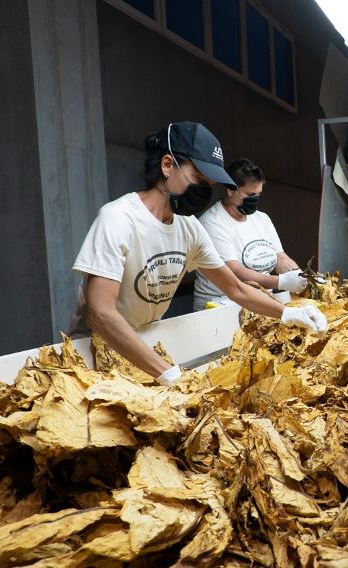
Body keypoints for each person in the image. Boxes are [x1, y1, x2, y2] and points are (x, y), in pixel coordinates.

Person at [70, 122, 326, 386]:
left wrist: (287, 313)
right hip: (94, 350)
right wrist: (168, 373)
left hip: (144, 343)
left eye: (209, 183)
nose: (204, 190)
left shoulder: (189, 228)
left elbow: (236, 289)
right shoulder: (118, 219)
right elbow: (100, 314)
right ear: (167, 165)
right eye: (199, 179)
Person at [193, 158, 307, 310]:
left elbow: (280, 257)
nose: (255, 199)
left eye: (258, 194)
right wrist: (280, 282)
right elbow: (235, 272)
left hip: (260, 302)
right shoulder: (212, 223)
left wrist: (298, 275)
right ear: (230, 190)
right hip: (220, 306)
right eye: (250, 194)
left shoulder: (262, 219)